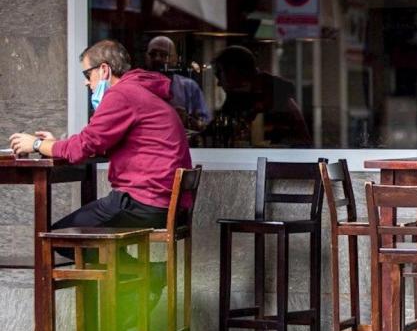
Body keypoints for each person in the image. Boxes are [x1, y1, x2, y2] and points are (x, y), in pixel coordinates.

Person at [9, 40, 192, 297]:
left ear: (104, 69)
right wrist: (55, 145)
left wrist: (37, 144)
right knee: (87, 238)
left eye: (87, 75)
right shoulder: (140, 91)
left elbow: (83, 146)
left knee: (57, 237)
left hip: (143, 202)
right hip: (162, 202)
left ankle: (151, 274)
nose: (86, 83)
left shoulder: (122, 94)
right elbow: (96, 143)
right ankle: (138, 289)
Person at [211, 45, 312, 147]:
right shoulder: (237, 97)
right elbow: (219, 130)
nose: (219, 83)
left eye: (219, 74)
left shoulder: (275, 96)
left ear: (233, 72)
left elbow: (289, 144)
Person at [146, 35, 211, 131]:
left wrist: (188, 120)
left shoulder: (189, 87)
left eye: (164, 55)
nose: (157, 58)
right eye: (153, 54)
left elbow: (205, 124)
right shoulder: (137, 87)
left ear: (175, 59)